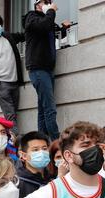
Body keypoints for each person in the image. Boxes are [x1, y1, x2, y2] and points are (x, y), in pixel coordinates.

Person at [24, 0, 71, 140]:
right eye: (46, 2)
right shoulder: (31, 17)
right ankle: (57, 143)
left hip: (47, 68)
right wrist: (51, 11)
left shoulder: (46, 19)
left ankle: (42, 140)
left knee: (43, 109)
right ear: (38, 4)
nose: (49, 4)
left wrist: (63, 28)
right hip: (38, 69)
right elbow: (44, 26)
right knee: (50, 108)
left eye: (50, 2)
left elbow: (55, 32)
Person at [17, 131, 53, 198]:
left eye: (44, 149)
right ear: (23, 155)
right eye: (35, 150)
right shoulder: (18, 184)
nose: (41, 152)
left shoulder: (52, 177)